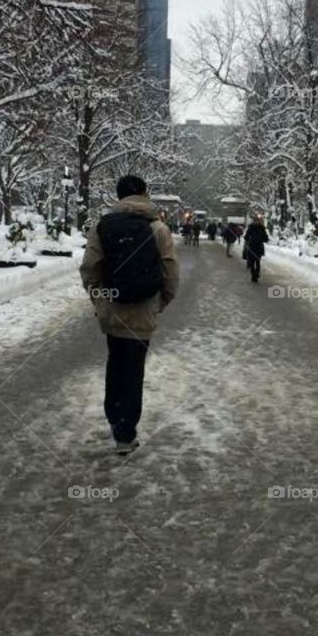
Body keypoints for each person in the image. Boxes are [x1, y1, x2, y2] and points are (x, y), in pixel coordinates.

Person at [80, 175, 179, 454]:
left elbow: (90, 270)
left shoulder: (102, 227)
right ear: (145, 194)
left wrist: (100, 301)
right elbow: (171, 274)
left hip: (112, 311)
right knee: (134, 369)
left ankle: (114, 417)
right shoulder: (158, 228)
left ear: (119, 196)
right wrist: (159, 303)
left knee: (115, 362)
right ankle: (126, 433)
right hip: (144, 311)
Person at [242, 213, 269, 283]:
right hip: (257, 247)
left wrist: (247, 239)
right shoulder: (261, 227)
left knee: (254, 261)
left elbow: (246, 237)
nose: (257, 222)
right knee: (256, 261)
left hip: (254, 247)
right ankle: (255, 274)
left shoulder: (252, 227)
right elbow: (265, 238)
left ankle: (254, 275)